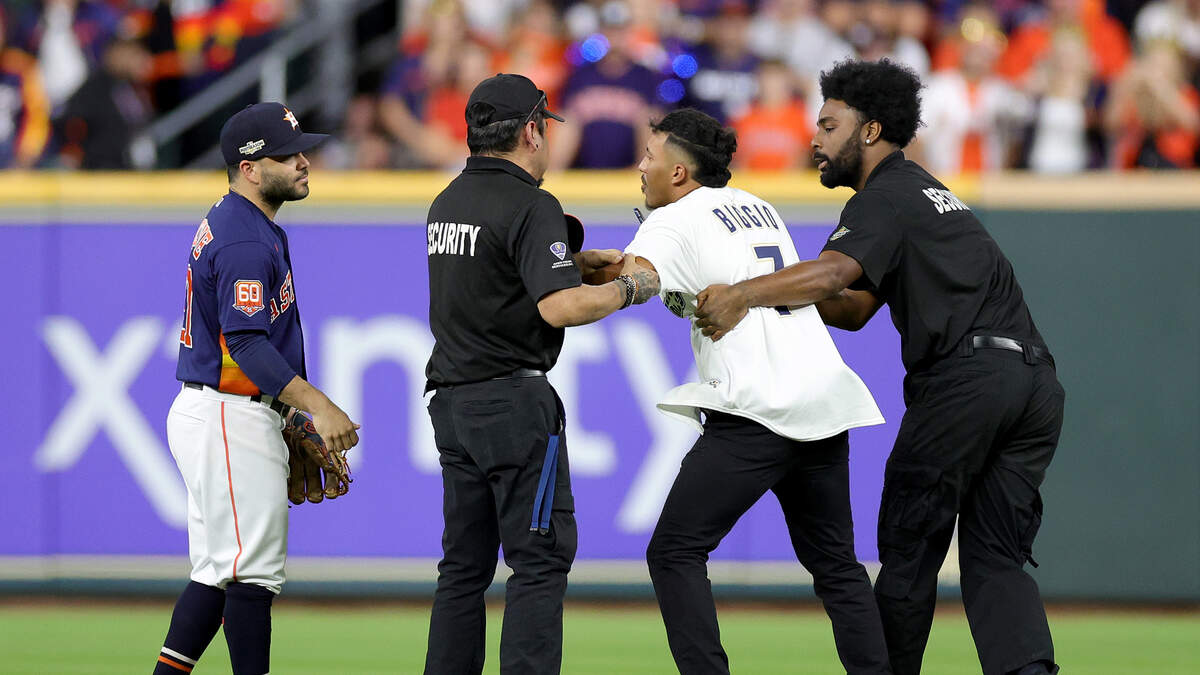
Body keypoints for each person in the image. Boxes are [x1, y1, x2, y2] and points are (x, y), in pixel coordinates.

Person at [694, 59, 1066, 675]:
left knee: (908, 548)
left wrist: (743, 292)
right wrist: (772, 297)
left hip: (964, 384)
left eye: (828, 125)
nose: (814, 139)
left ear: (869, 133)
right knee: (997, 556)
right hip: (1032, 384)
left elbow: (835, 274)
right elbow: (854, 307)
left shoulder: (884, 194)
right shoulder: (925, 190)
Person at [622, 108, 890, 675]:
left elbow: (636, 280)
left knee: (673, 552)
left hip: (757, 408)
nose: (641, 167)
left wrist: (573, 281)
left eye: (650, 155)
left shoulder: (671, 219)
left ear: (678, 173)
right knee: (838, 567)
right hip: (820, 399)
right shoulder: (756, 205)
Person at [422, 73, 659, 675]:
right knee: (540, 557)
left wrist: (574, 263)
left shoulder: (447, 200)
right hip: (513, 406)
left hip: (452, 404)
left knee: (464, 568)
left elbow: (494, 274)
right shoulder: (533, 204)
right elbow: (559, 307)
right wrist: (632, 287)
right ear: (532, 130)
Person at [154, 102, 361, 675]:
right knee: (252, 575)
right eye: (287, 154)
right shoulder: (244, 240)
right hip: (228, 413)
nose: (303, 161)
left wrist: (284, 412)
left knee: (217, 574)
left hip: (223, 409)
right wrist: (315, 406)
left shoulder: (241, 221)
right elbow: (245, 344)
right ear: (249, 167)